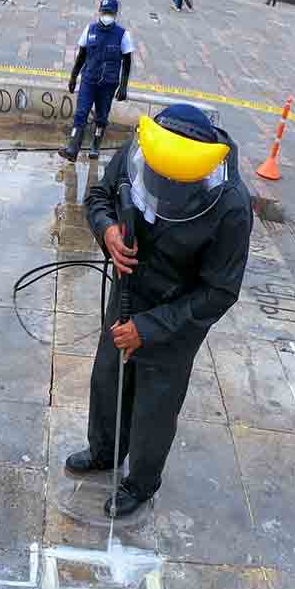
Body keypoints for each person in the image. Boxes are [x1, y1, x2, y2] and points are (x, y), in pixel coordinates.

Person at [66, 104, 252, 518]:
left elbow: (219, 291)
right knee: (109, 378)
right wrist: (107, 229)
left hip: (176, 318)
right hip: (128, 291)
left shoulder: (231, 205)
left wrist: (149, 328)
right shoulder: (140, 152)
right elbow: (99, 196)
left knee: (155, 404)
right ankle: (104, 451)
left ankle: (141, 483)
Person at [60, 0, 133, 162]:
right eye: (104, 12)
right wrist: (73, 77)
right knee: (80, 113)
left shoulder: (123, 35)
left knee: (101, 117)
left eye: (109, 13)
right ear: (100, 12)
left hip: (108, 84)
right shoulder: (90, 30)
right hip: (89, 80)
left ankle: (95, 146)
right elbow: (81, 56)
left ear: (115, 14)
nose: (106, 15)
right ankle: (72, 148)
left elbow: (127, 62)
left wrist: (123, 86)